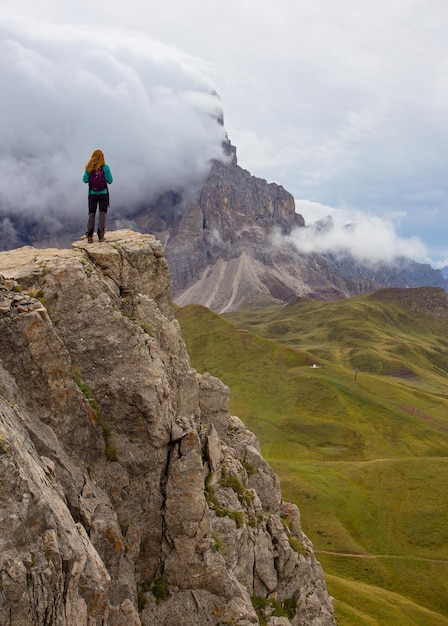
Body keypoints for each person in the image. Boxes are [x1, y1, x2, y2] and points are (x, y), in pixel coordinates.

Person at [83, 149, 113, 242]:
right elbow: (110, 181)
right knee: (102, 213)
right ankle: (100, 235)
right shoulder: (106, 167)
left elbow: (84, 180)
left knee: (92, 214)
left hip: (92, 194)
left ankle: (90, 236)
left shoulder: (89, 167)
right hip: (103, 193)